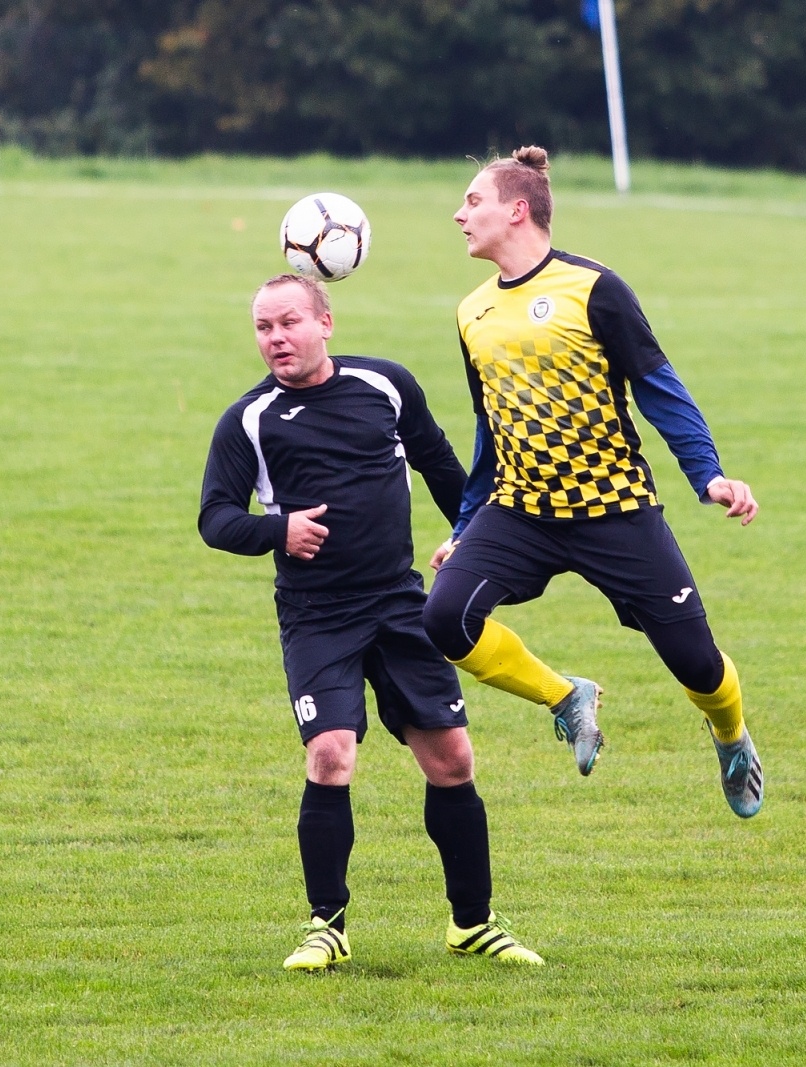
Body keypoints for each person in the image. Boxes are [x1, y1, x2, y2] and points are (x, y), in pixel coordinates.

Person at [199, 273, 544, 971]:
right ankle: (326, 926)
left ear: (325, 322)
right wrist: (278, 530)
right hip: (317, 616)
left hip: (399, 604)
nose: (276, 339)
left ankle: (473, 923)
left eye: (289, 323)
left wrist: (471, 535)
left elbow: (444, 468)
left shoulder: (385, 385)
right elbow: (215, 517)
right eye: (264, 328)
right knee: (331, 753)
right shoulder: (249, 419)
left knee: (452, 759)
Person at [421, 146, 765, 818]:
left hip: (615, 509)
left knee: (696, 662)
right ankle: (565, 696)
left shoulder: (594, 288)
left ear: (517, 210)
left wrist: (710, 476)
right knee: (444, 618)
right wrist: (464, 527)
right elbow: (489, 429)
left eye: (473, 201)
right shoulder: (471, 312)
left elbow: (660, 388)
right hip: (519, 511)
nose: (459, 214)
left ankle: (730, 736)